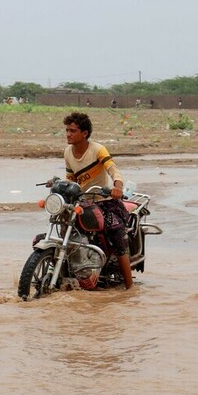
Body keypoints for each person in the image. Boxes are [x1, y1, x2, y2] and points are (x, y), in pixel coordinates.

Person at [54, 112, 133, 289]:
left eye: (72, 131)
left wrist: (117, 187)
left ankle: (130, 287)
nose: (68, 134)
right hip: (82, 202)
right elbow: (71, 178)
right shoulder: (68, 152)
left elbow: (113, 170)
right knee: (64, 227)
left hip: (104, 200)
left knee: (116, 233)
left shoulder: (97, 149)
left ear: (84, 133)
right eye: (67, 130)